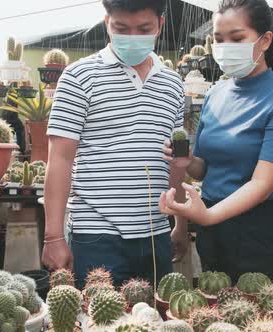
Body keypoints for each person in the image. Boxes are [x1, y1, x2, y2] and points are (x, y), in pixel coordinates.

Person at [42, 0, 188, 289]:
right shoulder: (78, 77)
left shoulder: (173, 84)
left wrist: (180, 224)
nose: (132, 37)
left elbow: (176, 161)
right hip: (96, 236)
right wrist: (53, 237)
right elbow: (60, 160)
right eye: (121, 28)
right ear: (107, 21)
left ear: (160, 24)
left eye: (143, 28)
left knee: (154, 319)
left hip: (155, 232)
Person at [160, 0, 273, 281]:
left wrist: (208, 216)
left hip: (259, 231)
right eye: (219, 39)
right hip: (212, 229)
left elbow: (262, 184)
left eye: (237, 38)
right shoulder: (216, 94)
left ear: (265, 40)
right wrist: (188, 161)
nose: (226, 46)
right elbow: (204, 168)